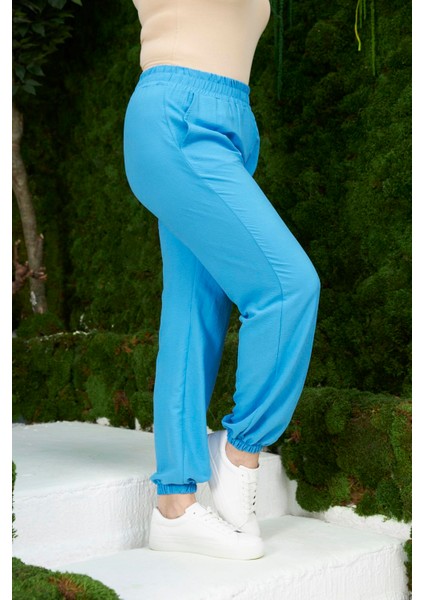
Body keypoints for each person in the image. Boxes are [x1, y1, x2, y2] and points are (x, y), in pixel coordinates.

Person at [123, 0, 320, 561]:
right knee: (288, 287)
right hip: (175, 116)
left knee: (193, 313)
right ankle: (239, 455)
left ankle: (174, 505)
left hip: (234, 123)